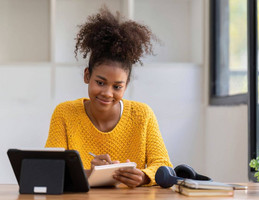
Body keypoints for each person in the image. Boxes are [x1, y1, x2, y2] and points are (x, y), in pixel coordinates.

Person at [45, 6, 172, 187]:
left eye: (117, 86)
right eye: (100, 82)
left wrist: (143, 176)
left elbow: (163, 165)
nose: (107, 93)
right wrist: (89, 173)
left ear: (126, 86)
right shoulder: (65, 113)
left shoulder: (143, 115)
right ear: (87, 75)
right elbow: (48, 169)